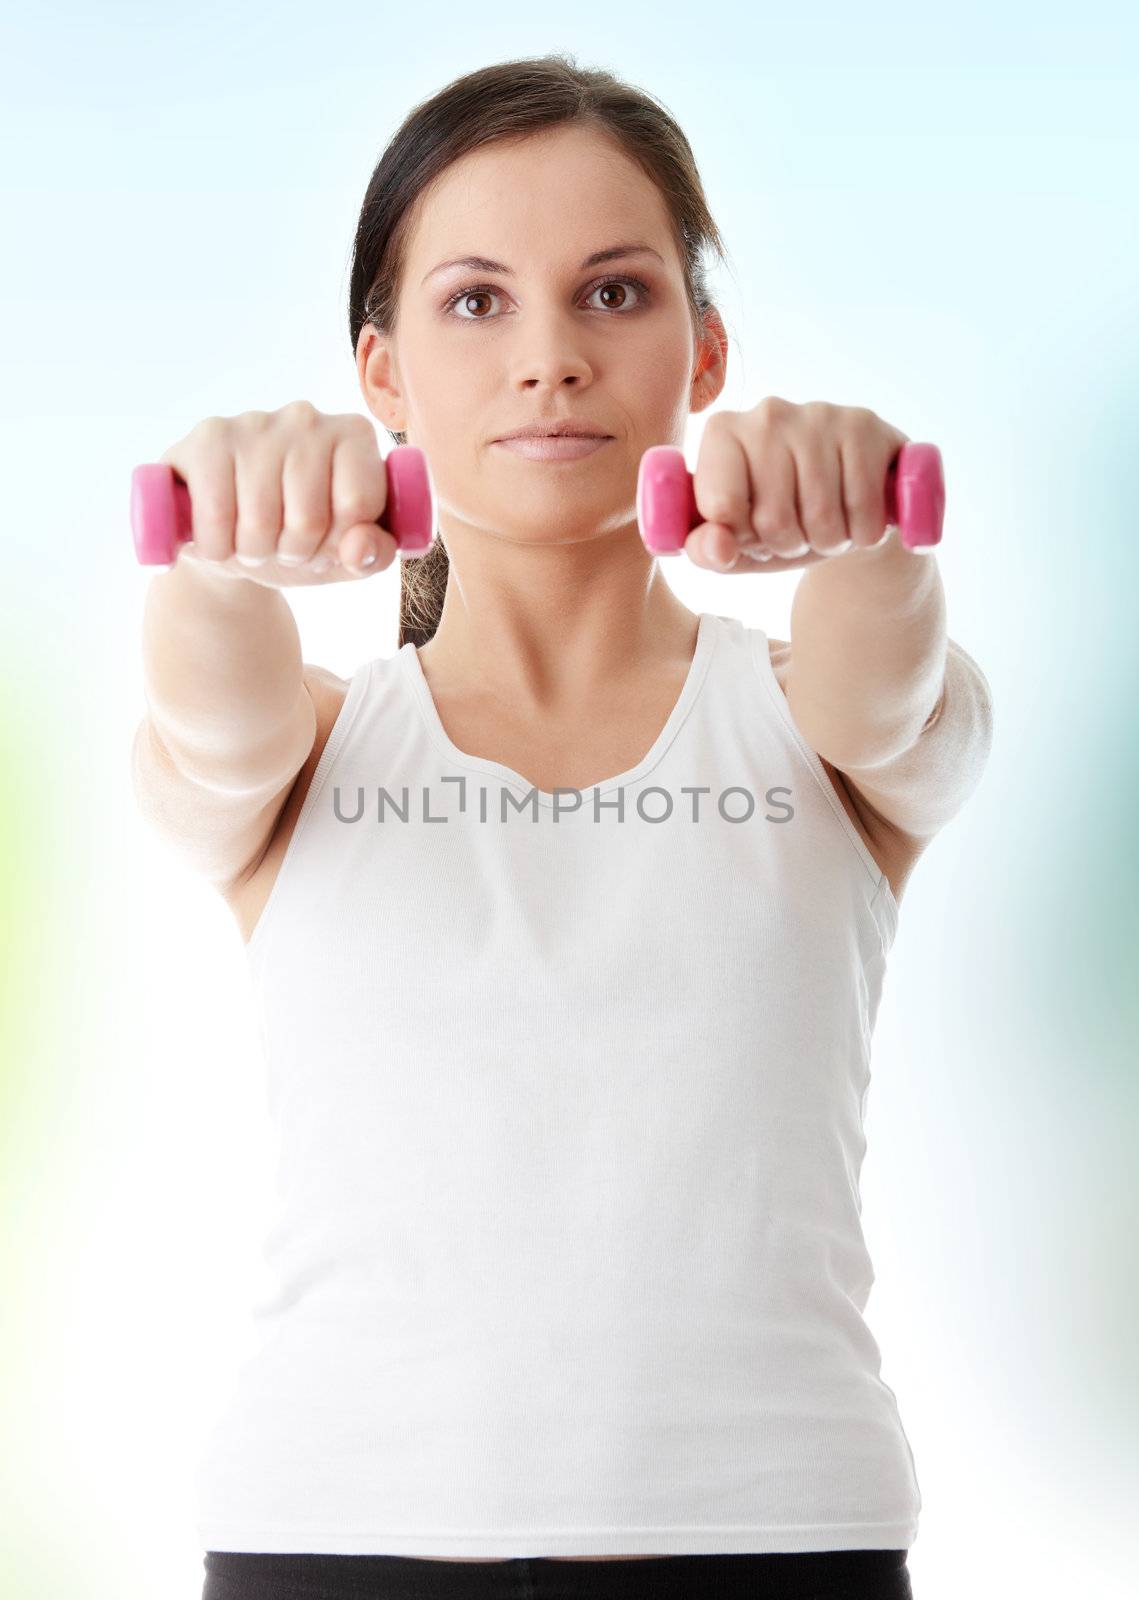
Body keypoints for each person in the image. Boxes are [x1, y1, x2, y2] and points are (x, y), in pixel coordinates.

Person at [132, 52, 993, 1600]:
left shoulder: (814, 724)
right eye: (477, 301)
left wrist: (868, 529)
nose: (549, 359)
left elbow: (888, 689)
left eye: (612, 294)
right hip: (335, 1539)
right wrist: (209, 562)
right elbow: (215, 714)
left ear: (703, 348)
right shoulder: (313, 746)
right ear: (381, 372)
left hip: (772, 1539)